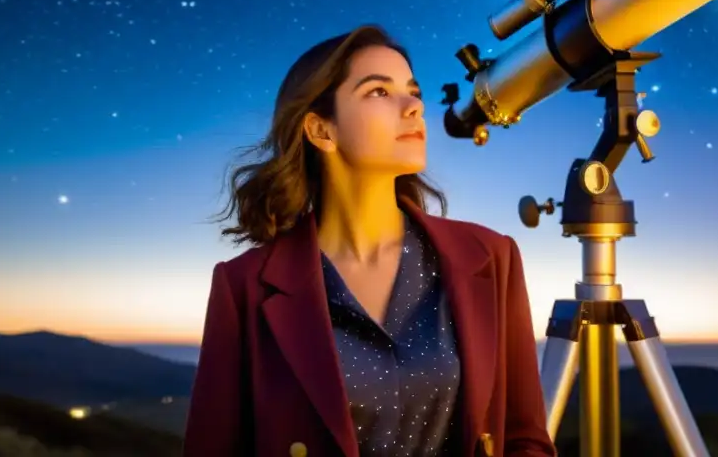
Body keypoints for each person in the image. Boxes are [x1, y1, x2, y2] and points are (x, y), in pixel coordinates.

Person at [183, 24, 556, 457]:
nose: (414, 107)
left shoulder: (491, 256)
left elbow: (523, 438)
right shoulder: (243, 285)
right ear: (321, 131)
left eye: (413, 91)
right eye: (379, 92)